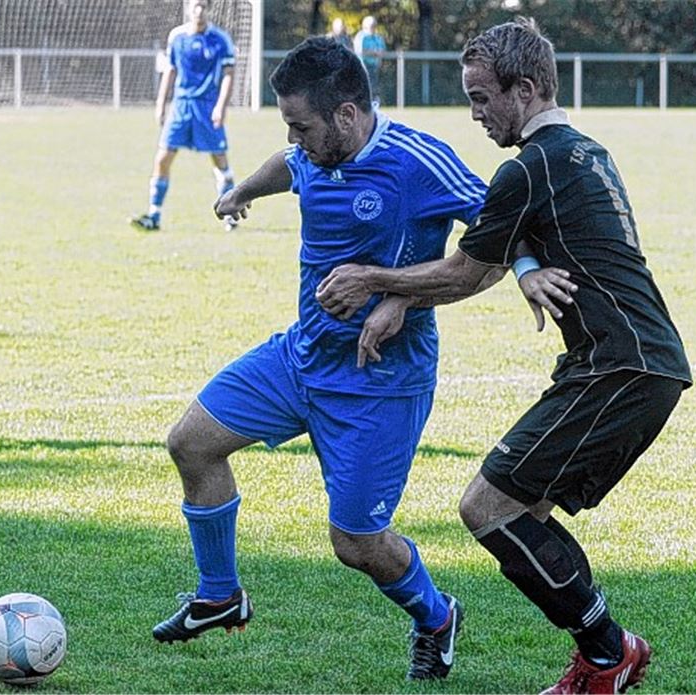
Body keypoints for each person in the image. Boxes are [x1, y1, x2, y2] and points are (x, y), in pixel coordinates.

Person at [315, 17, 691, 694]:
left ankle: (610, 654)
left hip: (617, 366)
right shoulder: (583, 151)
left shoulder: (528, 167)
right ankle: (603, 654)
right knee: (527, 518)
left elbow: (466, 271)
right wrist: (516, 271)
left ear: (523, 89)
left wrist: (376, 279)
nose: (475, 113)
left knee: (487, 505)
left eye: (483, 97)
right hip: (633, 361)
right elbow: (503, 258)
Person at [151, 37, 488, 682]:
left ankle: (437, 615)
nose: (294, 137)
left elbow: (499, 241)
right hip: (300, 359)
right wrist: (241, 190)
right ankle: (220, 596)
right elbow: (289, 164)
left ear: (346, 115)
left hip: (379, 383)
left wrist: (398, 294)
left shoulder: (418, 162)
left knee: (356, 544)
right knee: (192, 443)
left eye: (302, 125)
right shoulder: (313, 151)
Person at [129, 0, 239, 232]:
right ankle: (154, 215)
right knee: (162, 159)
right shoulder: (177, 37)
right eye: (195, 6)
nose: (199, 11)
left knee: (220, 161)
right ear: (188, 8)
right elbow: (171, 70)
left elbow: (229, 74)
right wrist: (161, 103)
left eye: (203, 6)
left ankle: (230, 213)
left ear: (208, 9)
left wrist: (221, 106)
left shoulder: (220, 39)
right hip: (181, 107)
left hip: (207, 107)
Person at [352, 15, 386, 98]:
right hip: (362, 66)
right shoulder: (360, 37)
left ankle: (373, 104)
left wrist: (373, 53)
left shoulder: (378, 38)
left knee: (373, 87)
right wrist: (374, 52)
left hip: (374, 66)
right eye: (371, 26)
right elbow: (360, 51)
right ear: (365, 26)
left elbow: (382, 51)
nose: (373, 28)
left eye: (374, 25)